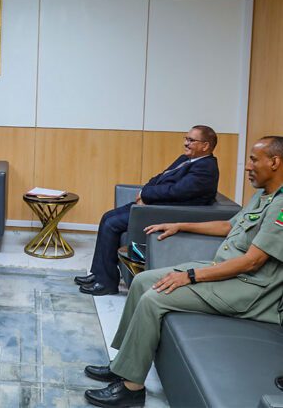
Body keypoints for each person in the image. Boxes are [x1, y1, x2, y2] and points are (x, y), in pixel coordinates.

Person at [82, 136, 283, 407]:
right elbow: (229, 226)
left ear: (274, 162)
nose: (247, 166)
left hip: (248, 289)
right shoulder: (264, 195)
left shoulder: (281, 206)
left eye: (253, 160)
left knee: (155, 298)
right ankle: (122, 365)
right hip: (225, 270)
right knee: (141, 281)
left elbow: (252, 262)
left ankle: (132, 388)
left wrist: (189, 276)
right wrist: (180, 224)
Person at [77, 125, 220, 296]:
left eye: (191, 140)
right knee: (107, 217)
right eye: (186, 139)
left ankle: (106, 283)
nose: (186, 143)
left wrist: (146, 194)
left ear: (205, 145)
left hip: (167, 213)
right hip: (156, 206)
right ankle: (99, 274)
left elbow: (177, 192)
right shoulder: (186, 159)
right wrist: (144, 191)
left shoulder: (206, 168)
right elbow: (160, 177)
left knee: (112, 224)